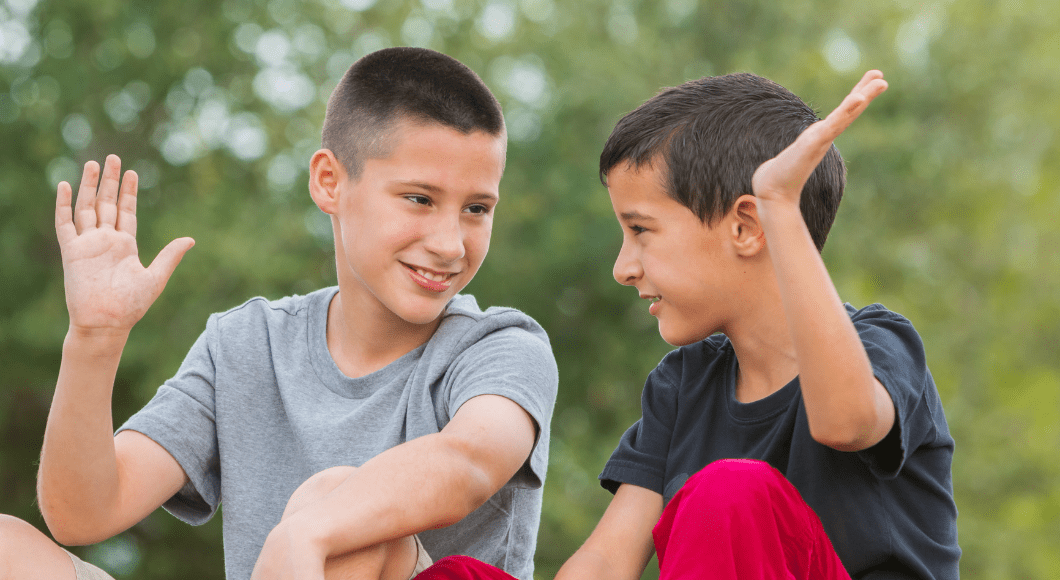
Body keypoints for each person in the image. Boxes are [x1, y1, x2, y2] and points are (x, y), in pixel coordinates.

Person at [0, 47, 558, 580]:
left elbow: (469, 463)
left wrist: (307, 533)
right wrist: (94, 339)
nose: (450, 244)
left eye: (477, 209)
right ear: (329, 182)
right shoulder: (247, 342)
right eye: (419, 199)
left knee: (341, 510)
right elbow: (84, 514)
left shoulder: (503, 348)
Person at [412, 70, 960, 580]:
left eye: (641, 230)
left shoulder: (883, 345)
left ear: (748, 227)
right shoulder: (684, 383)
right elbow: (607, 560)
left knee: (729, 493)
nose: (622, 267)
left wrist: (780, 206)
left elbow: (844, 422)